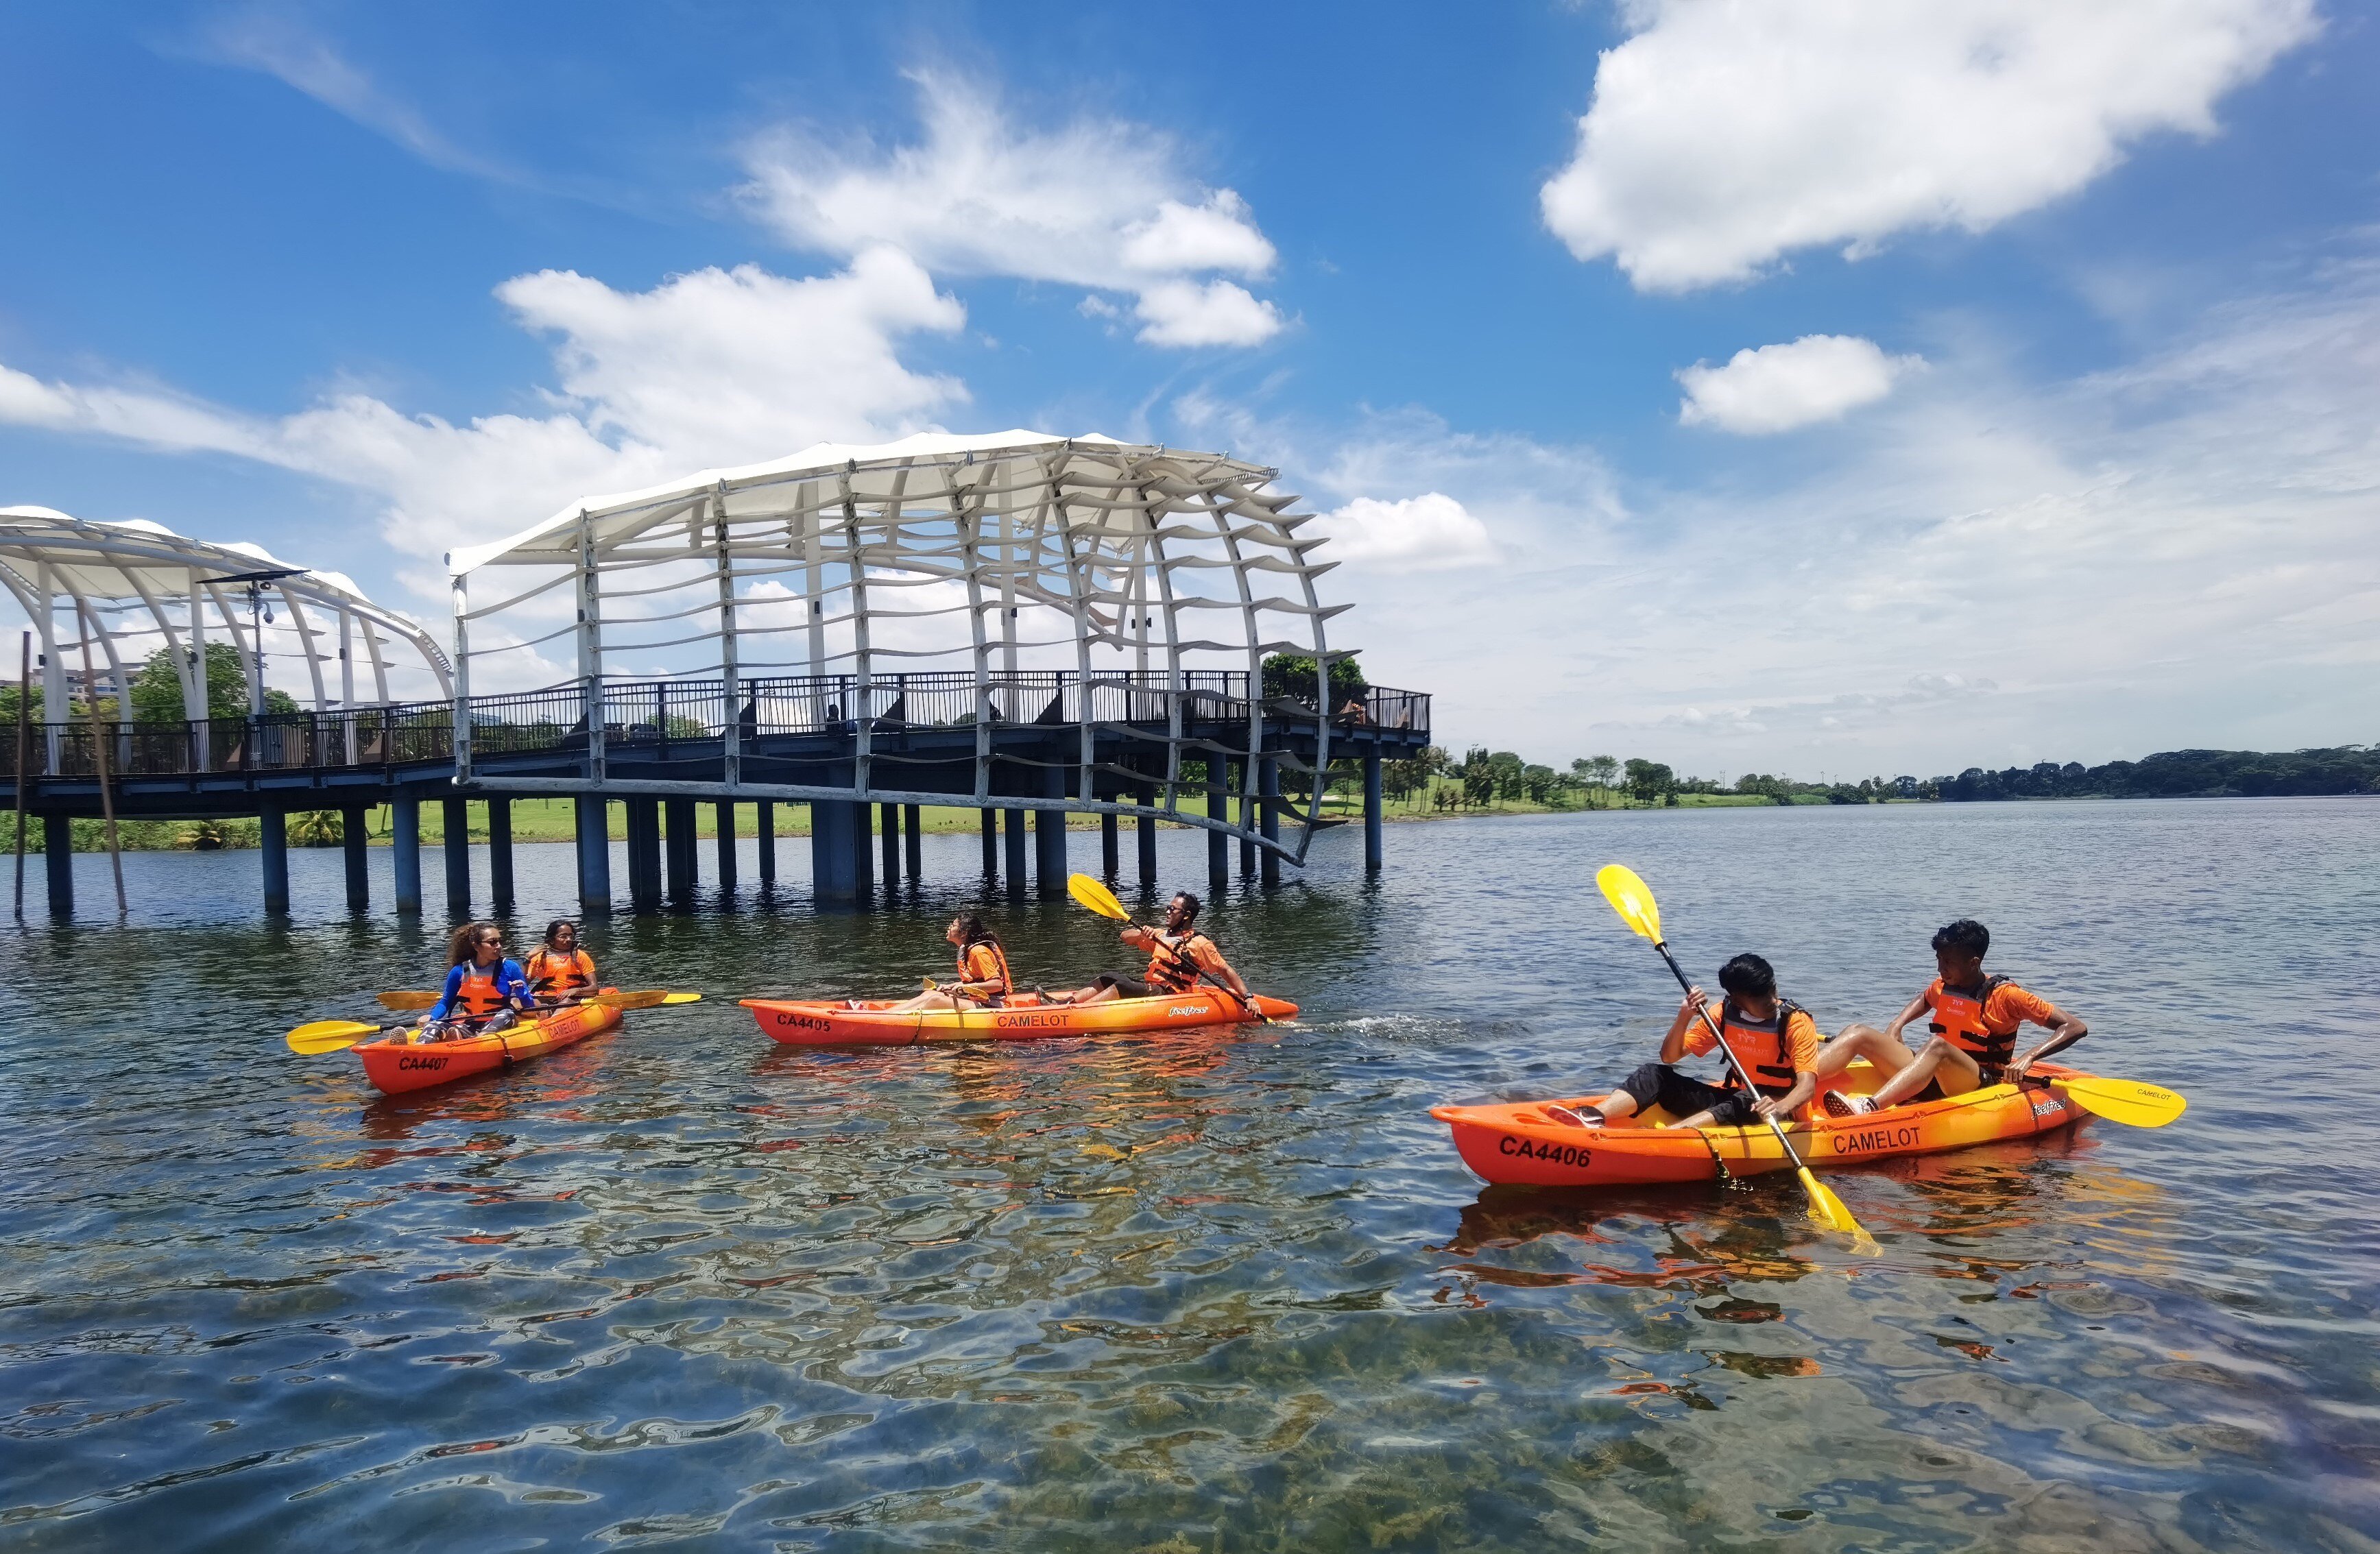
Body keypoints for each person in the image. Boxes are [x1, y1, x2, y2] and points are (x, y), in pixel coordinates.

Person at [1811, 918, 2088, 1116]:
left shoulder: (2007, 996)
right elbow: (1924, 999)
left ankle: (1870, 1107)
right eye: (1939, 960)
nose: (1941, 968)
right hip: (1933, 1077)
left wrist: (2030, 1057)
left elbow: (2074, 1027)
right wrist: (1897, 1024)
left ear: (1974, 963)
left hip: (1978, 1083)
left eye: (1949, 962)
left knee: (1937, 1046)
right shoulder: (1944, 985)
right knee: (1858, 1031)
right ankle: (1791, 1085)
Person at [1585, 954, 1821, 1130]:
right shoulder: (1722, 1014)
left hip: (1780, 1110)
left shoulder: (1795, 1023)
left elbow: (1807, 1087)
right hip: (1740, 1099)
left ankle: (1672, 1135)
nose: (1772, 1001)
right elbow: (1670, 1056)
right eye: (1760, 998)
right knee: (1654, 1074)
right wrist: (1684, 1016)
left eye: (1773, 990)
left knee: (1750, 1098)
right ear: (1737, 1000)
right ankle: (1592, 1115)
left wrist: (1780, 1107)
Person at [1066, 890, 1251, 1006]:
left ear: (1186, 916)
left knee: (1122, 985)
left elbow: (1224, 969)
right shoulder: (1161, 935)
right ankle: (1067, 1003)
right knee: (1109, 976)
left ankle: (1079, 1012)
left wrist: (1248, 997)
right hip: (1153, 988)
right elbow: (1124, 938)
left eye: (1173, 909)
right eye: (1168, 907)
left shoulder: (1199, 943)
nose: (1167, 912)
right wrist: (1141, 935)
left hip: (1172, 995)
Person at [416, 922, 533, 1042]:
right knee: (433, 1025)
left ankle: (476, 1040)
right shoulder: (460, 971)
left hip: (500, 1021)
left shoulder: (510, 967)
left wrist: (521, 992)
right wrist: (432, 1017)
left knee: (507, 1014)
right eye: (492, 942)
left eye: (500, 941)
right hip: (470, 1023)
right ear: (476, 946)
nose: (498, 946)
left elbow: (530, 1007)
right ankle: (419, 1047)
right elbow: (447, 1001)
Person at [886, 914, 1013, 1012]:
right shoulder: (968, 950)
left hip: (993, 1005)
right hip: (979, 1000)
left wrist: (964, 988)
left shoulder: (978, 952)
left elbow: (997, 985)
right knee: (930, 993)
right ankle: (888, 1014)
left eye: (953, 925)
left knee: (935, 999)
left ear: (964, 933)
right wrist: (953, 986)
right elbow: (976, 981)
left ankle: (891, 1019)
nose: (949, 928)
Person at [522, 919, 599, 1006]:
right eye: (563, 936)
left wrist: (576, 990)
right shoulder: (540, 957)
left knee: (565, 1003)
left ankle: (550, 1014)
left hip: (573, 998)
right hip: (548, 997)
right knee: (516, 1002)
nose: (569, 939)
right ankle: (546, 1011)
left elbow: (594, 988)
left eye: (571, 936)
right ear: (552, 939)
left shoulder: (579, 956)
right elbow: (523, 985)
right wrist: (527, 958)